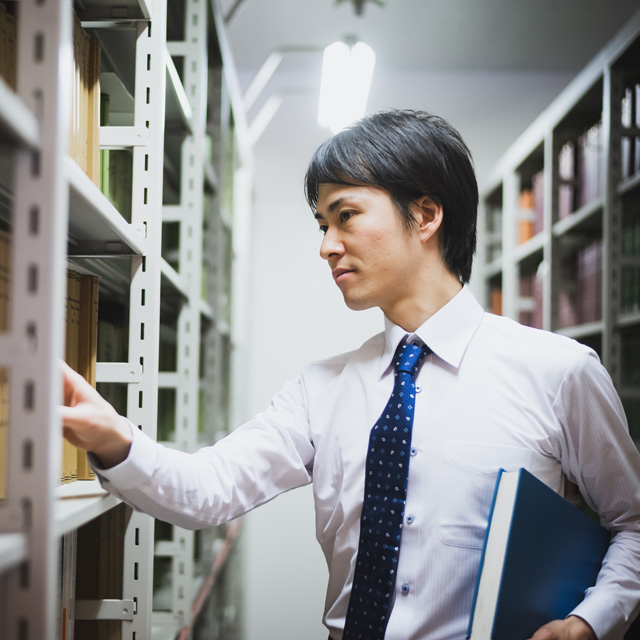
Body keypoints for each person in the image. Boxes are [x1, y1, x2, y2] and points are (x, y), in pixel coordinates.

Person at [61, 109, 640, 640]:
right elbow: (205, 491)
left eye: (346, 217)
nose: (326, 247)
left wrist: (589, 622)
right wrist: (113, 439)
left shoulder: (557, 372)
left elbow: (633, 524)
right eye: (321, 224)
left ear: (426, 215)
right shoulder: (322, 390)